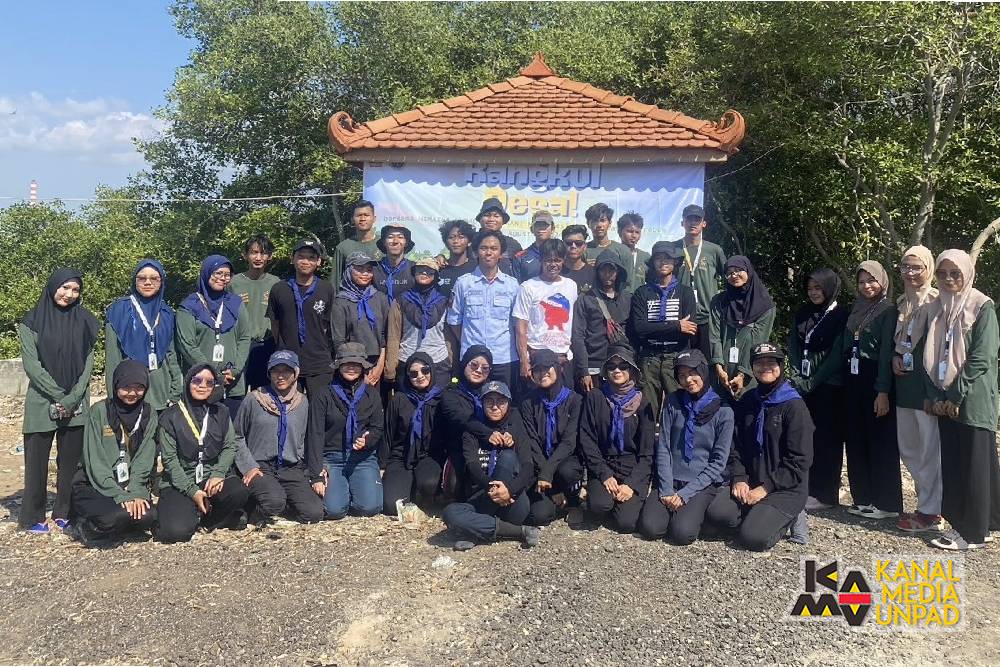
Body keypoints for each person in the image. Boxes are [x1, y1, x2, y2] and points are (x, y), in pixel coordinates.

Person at [924, 250, 1000, 551]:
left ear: (968, 273)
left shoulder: (982, 306)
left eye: (955, 273)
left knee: (973, 464)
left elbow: (983, 356)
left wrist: (955, 394)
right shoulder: (940, 307)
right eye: (942, 273)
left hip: (973, 397)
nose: (948, 279)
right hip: (947, 396)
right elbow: (930, 355)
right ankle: (990, 522)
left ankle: (971, 533)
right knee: (964, 461)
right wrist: (937, 394)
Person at [706, 343, 812, 550]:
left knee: (753, 538)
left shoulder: (794, 406)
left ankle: (791, 516)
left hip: (785, 487)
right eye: (759, 363)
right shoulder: (748, 401)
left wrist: (765, 489)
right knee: (716, 514)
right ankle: (759, 514)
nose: (765, 367)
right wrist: (739, 478)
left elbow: (800, 460)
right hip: (751, 481)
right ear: (752, 368)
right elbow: (734, 446)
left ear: (781, 366)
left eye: (771, 362)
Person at [17, 268, 98, 533]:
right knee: (37, 461)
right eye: (64, 288)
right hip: (42, 400)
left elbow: (88, 362)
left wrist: (73, 397)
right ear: (53, 287)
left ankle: (64, 510)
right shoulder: (31, 322)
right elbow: (32, 365)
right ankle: (32, 515)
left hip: (76, 401)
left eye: (75, 290)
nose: (69, 294)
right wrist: (58, 395)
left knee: (70, 462)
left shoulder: (86, 320)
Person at [638, 349, 733, 544]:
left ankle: (702, 516)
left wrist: (685, 494)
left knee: (682, 534)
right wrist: (665, 488)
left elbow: (718, 462)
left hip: (700, 484)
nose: (688, 380)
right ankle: (682, 512)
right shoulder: (673, 401)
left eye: (692, 373)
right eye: (681, 375)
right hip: (671, 478)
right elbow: (664, 446)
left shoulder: (723, 411)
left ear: (704, 372)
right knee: (650, 528)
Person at [156, 364, 251, 542]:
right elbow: (170, 461)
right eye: (197, 380)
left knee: (239, 491)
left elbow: (229, 446)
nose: (202, 386)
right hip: (181, 481)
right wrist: (192, 491)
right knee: (175, 532)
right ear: (187, 382)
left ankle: (209, 518)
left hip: (210, 478)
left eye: (209, 382)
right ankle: (195, 514)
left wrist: (218, 473)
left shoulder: (221, 411)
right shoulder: (170, 416)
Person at [442, 380, 540, 550]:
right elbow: (472, 467)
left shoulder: (516, 426)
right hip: (482, 497)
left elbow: (528, 467)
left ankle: (475, 530)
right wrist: (493, 489)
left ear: (508, 403)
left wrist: (509, 490)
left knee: (508, 457)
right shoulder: (473, 430)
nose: (495, 407)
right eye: (489, 401)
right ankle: (518, 532)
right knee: (450, 513)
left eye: (500, 401)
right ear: (482, 403)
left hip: (512, 500)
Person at [71, 360, 158, 543]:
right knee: (115, 516)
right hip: (95, 485)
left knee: (147, 516)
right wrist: (119, 494)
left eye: (139, 387)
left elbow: (145, 456)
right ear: (116, 384)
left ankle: (120, 526)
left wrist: (135, 492)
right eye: (126, 387)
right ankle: (84, 526)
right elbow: (95, 462)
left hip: (128, 484)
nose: (132, 393)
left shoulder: (149, 413)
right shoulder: (99, 412)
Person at [841, 260, 902, 520]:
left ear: (882, 281)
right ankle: (863, 497)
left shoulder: (888, 310)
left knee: (880, 441)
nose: (867, 286)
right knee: (856, 438)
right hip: (853, 377)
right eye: (862, 281)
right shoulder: (857, 308)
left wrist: (883, 390)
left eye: (872, 280)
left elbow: (887, 351)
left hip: (876, 377)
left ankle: (886, 502)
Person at [233, 350, 324, 525]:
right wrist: (248, 466)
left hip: (291, 469)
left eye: (286, 371)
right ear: (269, 373)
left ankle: (284, 500)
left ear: (295, 373)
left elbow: (310, 438)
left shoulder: (303, 403)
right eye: (275, 371)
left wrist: (317, 468)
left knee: (314, 513)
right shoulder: (254, 399)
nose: (280, 376)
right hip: (261, 466)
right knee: (274, 502)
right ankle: (253, 509)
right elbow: (236, 436)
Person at [786, 268, 848, 512]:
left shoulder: (841, 316)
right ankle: (806, 487)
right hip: (803, 384)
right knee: (805, 436)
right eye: (810, 288)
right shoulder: (804, 313)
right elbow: (793, 343)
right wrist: (797, 376)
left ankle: (826, 493)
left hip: (829, 385)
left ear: (830, 288)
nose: (814, 293)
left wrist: (812, 381)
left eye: (819, 288)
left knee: (827, 439)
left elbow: (837, 354)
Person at [892, 246, 943, 532]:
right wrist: (893, 357)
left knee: (929, 451)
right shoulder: (902, 303)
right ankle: (928, 503)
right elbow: (899, 344)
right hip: (905, 388)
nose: (910, 273)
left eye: (916, 267)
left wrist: (933, 393)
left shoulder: (936, 302)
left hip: (926, 390)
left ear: (928, 269)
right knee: (909, 449)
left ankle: (930, 511)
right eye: (905, 267)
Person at [578, 345, 655, 533]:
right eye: (611, 366)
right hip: (605, 462)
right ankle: (598, 495)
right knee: (599, 506)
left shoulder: (643, 402)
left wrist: (631, 484)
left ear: (632, 370)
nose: (617, 370)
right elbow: (587, 439)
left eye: (623, 366)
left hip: (632, 466)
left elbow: (647, 452)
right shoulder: (595, 397)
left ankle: (625, 500)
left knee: (626, 524)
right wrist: (604, 474)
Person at [306, 342, 385, 519]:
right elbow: (315, 435)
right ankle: (341, 493)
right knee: (334, 511)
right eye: (347, 363)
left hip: (362, 458)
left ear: (363, 367)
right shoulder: (323, 395)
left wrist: (368, 439)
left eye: (356, 364)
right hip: (332, 458)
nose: (351, 367)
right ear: (338, 366)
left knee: (370, 507)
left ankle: (353, 490)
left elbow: (378, 428)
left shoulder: (371, 394)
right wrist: (316, 474)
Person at [175, 255, 251, 419]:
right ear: (206, 273)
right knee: (201, 434)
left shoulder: (236, 304)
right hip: (201, 383)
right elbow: (187, 345)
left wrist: (235, 370)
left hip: (232, 383)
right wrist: (213, 373)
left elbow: (245, 338)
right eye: (217, 273)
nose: (222, 278)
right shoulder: (188, 307)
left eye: (226, 274)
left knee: (231, 434)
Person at [631, 241, 698, 419]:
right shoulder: (642, 292)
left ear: (675, 262)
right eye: (659, 258)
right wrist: (676, 325)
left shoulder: (685, 292)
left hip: (676, 358)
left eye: (668, 258)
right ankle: (646, 447)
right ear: (653, 262)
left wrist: (654, 328)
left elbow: (690, 328)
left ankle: (676, 447)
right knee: (647, 411)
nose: (663, 262)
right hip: (649, 358)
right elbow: (640, 328)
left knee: (680, 409)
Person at [105, 259, 182, 411]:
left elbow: (171, 355)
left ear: (162, 282)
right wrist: (113, 396)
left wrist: (176, 390)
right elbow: (113, 359)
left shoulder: (167, 313)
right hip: (130, 392)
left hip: (162, 392)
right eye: (142, 278)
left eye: (154, 278)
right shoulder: (118, 311)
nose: (148, 282)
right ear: (134, 281)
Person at [447, 230, 519, 387]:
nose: (488, 253)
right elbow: (454, 322)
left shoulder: (512, 285)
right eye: (484, 248)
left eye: (494, 249)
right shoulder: (463, 283)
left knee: (501, 407)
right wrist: (471, 343)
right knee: (471, 405)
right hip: (472, 361)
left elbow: (517, 325)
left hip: (503, 359)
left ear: (501, 253)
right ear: (476, 252)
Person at [520, 350, 584, 526]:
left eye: (547, 367)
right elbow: (532, 441)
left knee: (567, 471)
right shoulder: (528, 403)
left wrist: (547, 472)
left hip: (565, 460)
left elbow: (569, 442)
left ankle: (573, 501)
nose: (543, 373)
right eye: (537, 370)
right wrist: (546, 475)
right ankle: (554, 497)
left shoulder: (574, 400)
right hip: (539, 462)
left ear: (557, 368)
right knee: (539, 517)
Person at [268, 239, 335, 399]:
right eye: (301, 256)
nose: (306, 261)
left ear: (318, 261)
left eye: (311, 257)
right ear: (292, 259)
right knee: (288, 410)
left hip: (318, 361)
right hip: (287, 362)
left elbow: (326, 325)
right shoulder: (279, 288)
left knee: (320, 409)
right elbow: (275, 324)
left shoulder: (326, 289)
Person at [382, 352, 448, 515]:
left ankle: (419, 490)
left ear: (432, 370)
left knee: (429, 484)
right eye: (413, 373)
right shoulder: (399, 398)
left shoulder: (442, 398)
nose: (420, 376)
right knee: (392, 506)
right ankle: (406, 486)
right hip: (400, 456)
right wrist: (382, 465)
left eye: (425, 370)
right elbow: (387, 434)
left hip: (429, 455)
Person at [708, 255, 775, 401]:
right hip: (722, 372)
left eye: (739, 270)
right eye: (730, 272)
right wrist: (718, 366)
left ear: (749, 271)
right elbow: (714, 335)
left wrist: (742, 374)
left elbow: (758, 341)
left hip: (751, 371)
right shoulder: (718, 302)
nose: (734, 275)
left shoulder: (765, 306)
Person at [513, 238, 578, 385]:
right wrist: (524, 361)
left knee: (565, 403)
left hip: (564, 357)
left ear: (564, 260)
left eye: (557, 260)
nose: (553, 264)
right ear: (541, 260)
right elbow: (521, 328)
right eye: (548, 260)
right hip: (537, 357)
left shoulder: (571, 286)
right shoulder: (528, 287)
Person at [436, 346, 497, 499]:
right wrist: (488, 433)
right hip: (459, 448)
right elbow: (462, 418)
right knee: (454, 489)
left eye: (485, 367)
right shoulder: (451, 392)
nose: (478, 370)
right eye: (474, 365)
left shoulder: (494, 392)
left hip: (488, 447)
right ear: (464, 364)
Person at [571, 249, 632, 394]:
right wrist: (584, 371)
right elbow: (578, 336)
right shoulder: (585, 299)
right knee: (594, 408)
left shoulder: (627, 298)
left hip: (620, 365)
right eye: (603, 270)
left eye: (612, 270)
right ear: (597, 272)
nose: (607, 274)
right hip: (594, 367)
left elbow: (633, 334)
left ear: (618, 272)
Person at [385, 258, 452, 389]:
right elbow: (393, 336)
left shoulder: (445, 300)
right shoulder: (400, 300)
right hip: (407, 361)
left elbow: (449, 335)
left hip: (439, 361)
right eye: (420, 270)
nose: (424, 273)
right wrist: (390, 369)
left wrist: (451, 362)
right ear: (413, 273)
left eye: (429, 271)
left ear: (436, 276)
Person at [673, 204, 727, 357]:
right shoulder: (673, 249)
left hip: (707, 316)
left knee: (708, 362)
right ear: (682, 222)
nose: (693, 223)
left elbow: (730, 277)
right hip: (680, 316)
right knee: (682, 362)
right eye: (689, 219)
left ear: (704, 223)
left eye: (697, 219)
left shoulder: (714, 250)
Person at [331, 251, 390, 387]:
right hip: (351, 365)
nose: (365, 273)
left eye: (369, 270)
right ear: (349, 270)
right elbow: (339, 340)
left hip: (377, 364)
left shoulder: (380, 298)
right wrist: (357, 369)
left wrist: (380, 366)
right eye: (359, 269)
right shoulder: (341, 301)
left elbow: (385, 336)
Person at [230, 235, 280, 390]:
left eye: (263, 253)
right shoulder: (233, 283)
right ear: (245, 255)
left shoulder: (276, 283)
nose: (258, 257)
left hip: (267, 344)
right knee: (238, 392)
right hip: (240, 346)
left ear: (269, 256)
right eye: (253, 252)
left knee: (263, 393)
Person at [331, 200, 381, 282]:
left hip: (380, 294)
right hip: (351, 294)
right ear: (352, 219)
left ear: (374, 219)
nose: (363, 219)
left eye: (366, 215)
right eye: (359, 215)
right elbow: (335, 281)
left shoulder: (384, 245)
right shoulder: (343, 248)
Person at [475, 197, 521, 274]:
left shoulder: (513, 244)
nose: (491, 219)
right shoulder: (469, 241)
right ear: (480, 219)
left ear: (503, 221)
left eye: (496, 216)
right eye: (487, 215)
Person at [583, 203, 630, 272]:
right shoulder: (582, 250)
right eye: (595, 221)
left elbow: (628, 281)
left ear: (610, 223)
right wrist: (585, 267)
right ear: (588, 224)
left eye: (602, 220)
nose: (599, 225)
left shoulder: (623, 250)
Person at [373, 225, 414, 304]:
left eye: (400, 237)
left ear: (406, 243)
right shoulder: (374, 268)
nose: (395, 241)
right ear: (384, 242)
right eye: (390, 237)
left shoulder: (415, 269)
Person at [511, 210, 555, 283]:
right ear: (532, 229)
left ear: (553, 228)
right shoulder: (520, 257)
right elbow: (517, 287)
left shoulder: (562, 254)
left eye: (545, 225)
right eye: (538, 225)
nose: (541, 228)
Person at [436, 219, 477, 298]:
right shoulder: (438, 268)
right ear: (445, 242)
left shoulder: (477, 269)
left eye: (461, 237)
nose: (456, 241)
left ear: (469, 242)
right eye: (451, 237)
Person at [618, 212, 650, 292]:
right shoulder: (613, 253)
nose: (634, 236)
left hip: (639, 300)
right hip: (618, 300)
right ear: (619, 231)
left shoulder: (645, 257)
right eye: (629, 231)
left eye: (637, 232)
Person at [561, 224, 596, 294]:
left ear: (585, 246)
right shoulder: (555, 272)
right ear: (562, 244)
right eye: (569, 243)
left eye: (578, 243)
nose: (573, 246)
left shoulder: (594, 273)